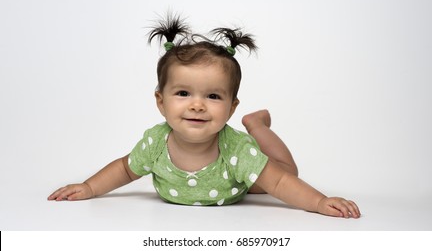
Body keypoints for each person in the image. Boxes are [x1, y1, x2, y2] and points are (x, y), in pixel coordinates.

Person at [48, 14, 360, 218]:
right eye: (183, 93)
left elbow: (279, 182)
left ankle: (256, 126)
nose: (197, 106)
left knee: (284, 171)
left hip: (238, 181)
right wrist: (89, 188)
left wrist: (320, 202)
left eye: (213, 96)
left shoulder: (237, 150)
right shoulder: (156, 143)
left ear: (231, 107)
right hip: (228, 176)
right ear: (161, 101)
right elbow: (123, 170)